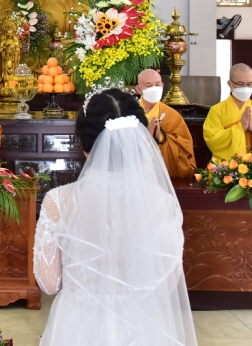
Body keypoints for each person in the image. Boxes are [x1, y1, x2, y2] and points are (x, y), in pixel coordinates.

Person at [33, 89, 197, 345]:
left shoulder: (58, 202)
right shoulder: (164, 204)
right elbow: (166, 286)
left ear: (85, 143)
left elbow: (49, 283)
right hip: (143, 327)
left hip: (78, 326)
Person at [135, 69, 195, 179]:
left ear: (162, 85)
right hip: (136, 173)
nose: (154, 88)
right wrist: (146, 136)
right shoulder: (129, 113)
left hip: (162, 174)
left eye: (157, 84)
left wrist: (160, 137)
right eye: (149, 85)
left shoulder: (172, 115)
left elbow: (184, 151)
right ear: (139, 89)